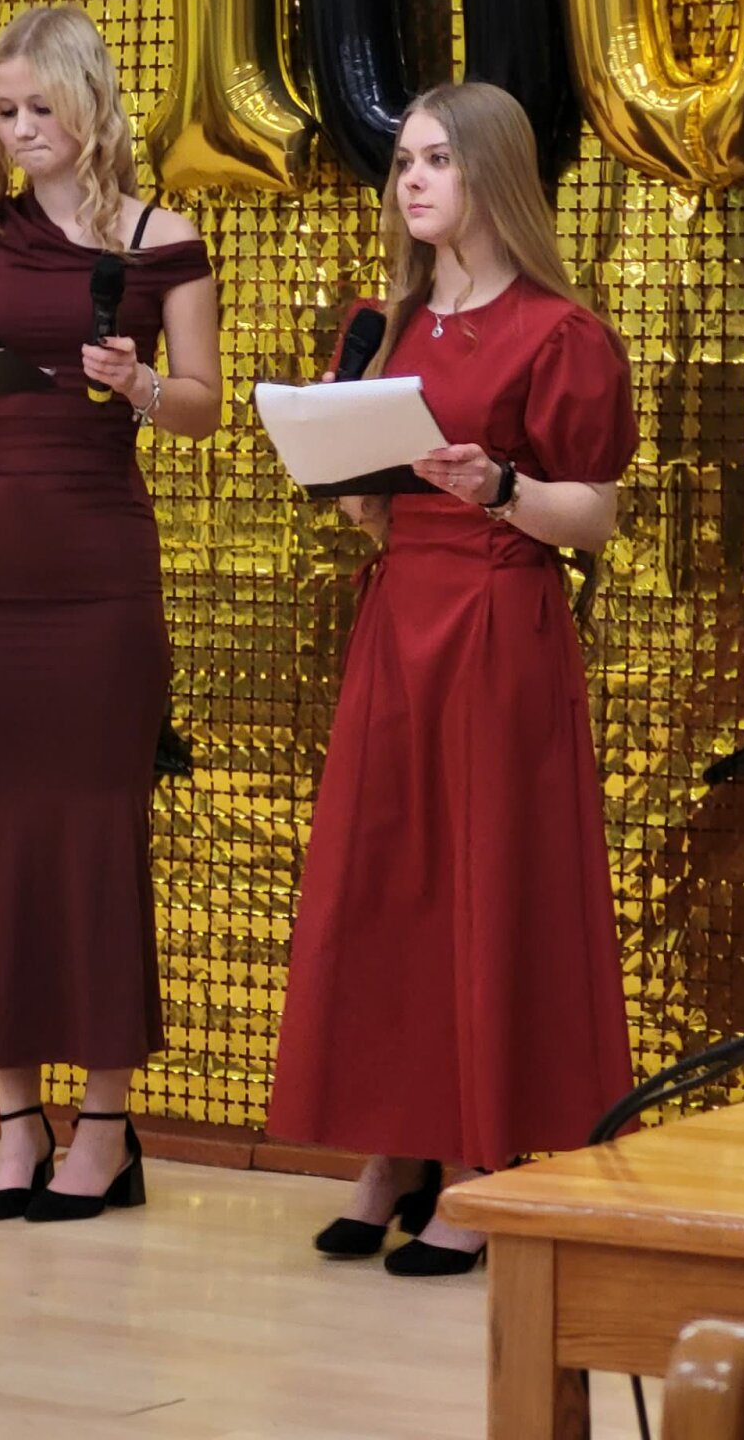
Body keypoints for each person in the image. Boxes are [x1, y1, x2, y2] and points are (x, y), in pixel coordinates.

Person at [266, 81, 638, 1276]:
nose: (412, 179)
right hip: (401, 619)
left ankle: (481, 1163)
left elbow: (595, 515)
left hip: (495, 623)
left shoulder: (558, 333)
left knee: (483, 882)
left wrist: (501, 489)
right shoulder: (385, 324)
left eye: (436, 159)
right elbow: (374, 507)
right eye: (404, 162)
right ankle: (396, 1150)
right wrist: (351, 480)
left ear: (491, 172)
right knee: (392, 883)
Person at [0, 6, 221, 1222]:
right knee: (2, 831)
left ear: (89, 102)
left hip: (103, 563)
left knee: (97, 830)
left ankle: (107, 1125)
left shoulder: (164, 240)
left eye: (38, 108)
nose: (19, 130)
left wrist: (143, 383)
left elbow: (202, 407)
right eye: (3, 111)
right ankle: (17, 1119)